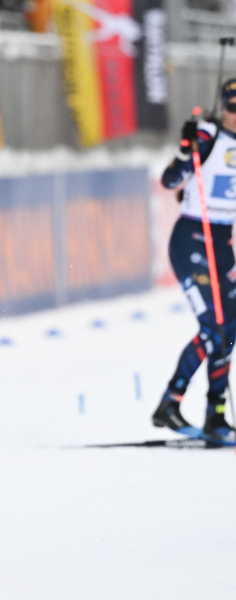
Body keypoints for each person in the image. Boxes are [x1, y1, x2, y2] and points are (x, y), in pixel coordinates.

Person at [152, 78, 236, 443]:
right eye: (232, 107)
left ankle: (214, 417)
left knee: (229, 329)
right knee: (214, 326)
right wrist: (187, 152)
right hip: (191, 241)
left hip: (221, 243)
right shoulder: (209, 135)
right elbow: (170, 179)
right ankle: (173, 403)